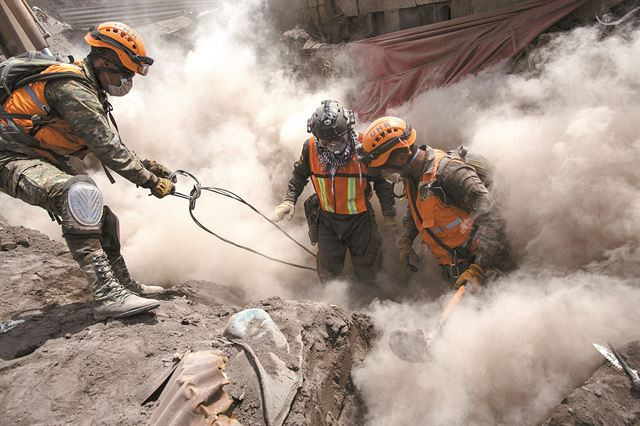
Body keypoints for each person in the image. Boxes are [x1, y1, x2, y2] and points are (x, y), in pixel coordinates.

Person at [0, 22, 175, 320]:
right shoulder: (72, 88)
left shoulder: (87, 87)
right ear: (104, 60)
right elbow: (107, 148)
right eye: (124, 72)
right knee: (79, 195)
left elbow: (104, 142)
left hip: (32, 154)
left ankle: (123, 284)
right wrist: (149, 181)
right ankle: (108, 296)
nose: (126, 80)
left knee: (103, 217)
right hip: (8, 157)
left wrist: (144, 165)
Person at [356, 116, 513, 291]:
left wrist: (479, 269)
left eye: (384, 167)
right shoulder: (413, 178)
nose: (383, 173)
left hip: (488, 268)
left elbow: (493, 217)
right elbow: (418, 208)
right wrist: (407, 238)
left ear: (401, 157)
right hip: (458, 271)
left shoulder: (449, 173)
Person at [271, 100, 396, 295]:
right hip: (327, 221)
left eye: (339, 141)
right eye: (326, 143)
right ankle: (335, 308)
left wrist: (389, 217)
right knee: (328, 272)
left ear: (349, 129)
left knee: (368, 270)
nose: (333, 148)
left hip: (360, 222)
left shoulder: (365, 148)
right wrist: (289, 199)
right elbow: (299, 175)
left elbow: (382, 184)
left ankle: (371, 309)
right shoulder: (310, 147)